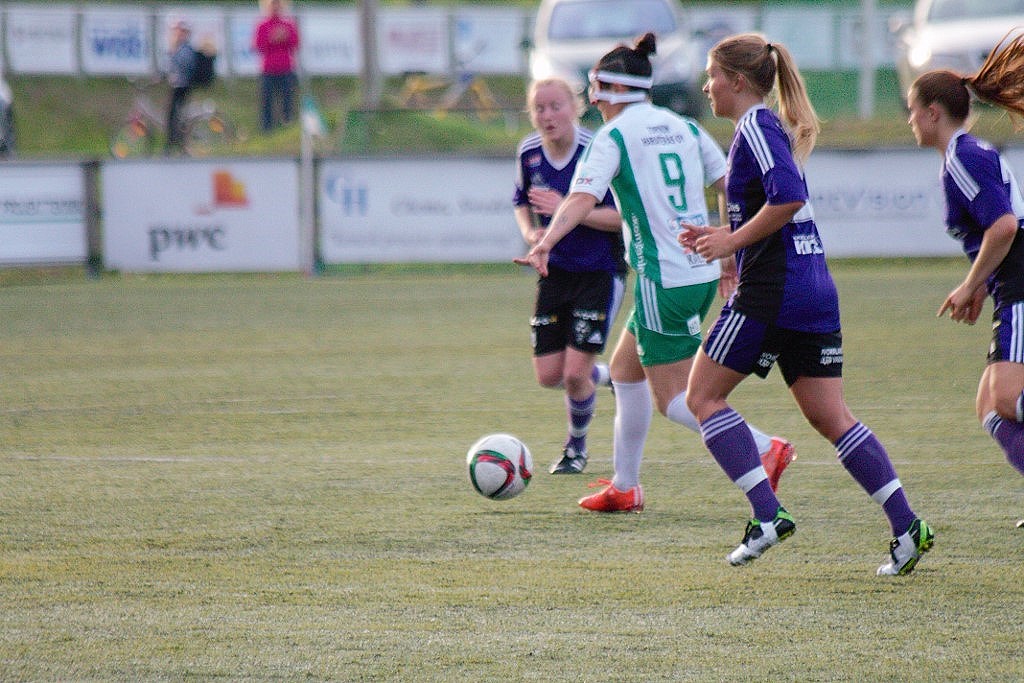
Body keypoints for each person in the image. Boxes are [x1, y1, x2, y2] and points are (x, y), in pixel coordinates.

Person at [679, 33, 933, 575]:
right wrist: (726, 241)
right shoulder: (762, 127)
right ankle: (907, 525)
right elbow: (775, 208)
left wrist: (731, 243)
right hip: (813, 289)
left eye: (712, 75)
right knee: (830, 416)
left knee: (702, 397)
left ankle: (767, 514)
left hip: (774, 292)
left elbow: (789, 196)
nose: (706, 85)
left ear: (738, 81)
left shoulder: (756, 125)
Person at [516, 34, 794, 511]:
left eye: (595, 88)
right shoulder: (683, 126)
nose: (592, 100)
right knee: (625, 372)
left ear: (611, 89)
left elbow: (580, 199)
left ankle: (765, 446)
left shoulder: (613, 137)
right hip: (697, 270)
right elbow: (729, 183)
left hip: (662, 280)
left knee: (675, 399)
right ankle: (625, 486)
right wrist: (728, 247)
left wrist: (545, 241)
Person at [906, 30, 1024, 528]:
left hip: (1021, 283)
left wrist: (971, 284)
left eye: (912, 110)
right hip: (1010, 283)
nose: (909, 120)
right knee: (990, 406)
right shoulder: (962, 155)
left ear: (933, 112)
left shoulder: (963, 157)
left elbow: (1005, 226)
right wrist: (979, 282)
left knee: (1005, 398)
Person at [513, 78, 624, 474]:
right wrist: (531, 233)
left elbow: (620, 218)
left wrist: (566, 208)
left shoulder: (597, 150)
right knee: (549, 376)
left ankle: (576, 449)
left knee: (574, 374)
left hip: (599, 272)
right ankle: (613, 377)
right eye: (539, 108)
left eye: (556, 106)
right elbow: (520, 201)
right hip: (554, 272)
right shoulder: (528, 152)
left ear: (576, 107)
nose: (547, 116)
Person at [252, 0, 300, 133]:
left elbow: (295, 43)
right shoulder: (263, 26)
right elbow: (258, 45)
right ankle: (267, 127)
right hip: (268, 69)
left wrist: (285, 37)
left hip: (286, 68)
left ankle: (287, 123)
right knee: (267, 99)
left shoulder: (287, 25)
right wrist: (272, 39)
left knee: (287, 97)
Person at [165, 20, 196, 154]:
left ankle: (176, 141)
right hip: (177, 84)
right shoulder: (179, 47)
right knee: (174, 113)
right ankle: (174, 140)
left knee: (176, 114)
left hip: (182, 85)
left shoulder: (185, 48)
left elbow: (184, 66)